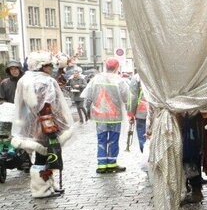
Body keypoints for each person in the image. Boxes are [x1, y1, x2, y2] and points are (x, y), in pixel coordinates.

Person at [11, 51, 74, 198]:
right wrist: (52, 125)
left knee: (45, 155)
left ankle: (47, 185)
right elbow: (48, 105)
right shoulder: (45, 81)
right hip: (45, 124)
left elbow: (21, 105)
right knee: (44, 156)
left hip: (32, 124)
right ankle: (41, 190)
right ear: (41, 66)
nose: (51, 68)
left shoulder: (24, 80)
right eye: (48, 65)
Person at [81, 58, 131, 173]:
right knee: (113, 140)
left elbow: (88, 97)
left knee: (101, 139)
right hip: (115, 116)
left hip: (100, 116)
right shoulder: (119, 80)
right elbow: (127, 98)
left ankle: (102, 165)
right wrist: (130, 112)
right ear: (117, 67)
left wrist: (87, 110)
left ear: (105, 66)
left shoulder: (95, 79)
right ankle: (112, 163)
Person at [127, 72, 150, 151]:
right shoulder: (157, 73)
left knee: (142, 137)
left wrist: (131, 114)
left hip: (142, 112)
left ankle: (144, 154)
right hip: (156, 112)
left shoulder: (137, 77)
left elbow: (132, 97)